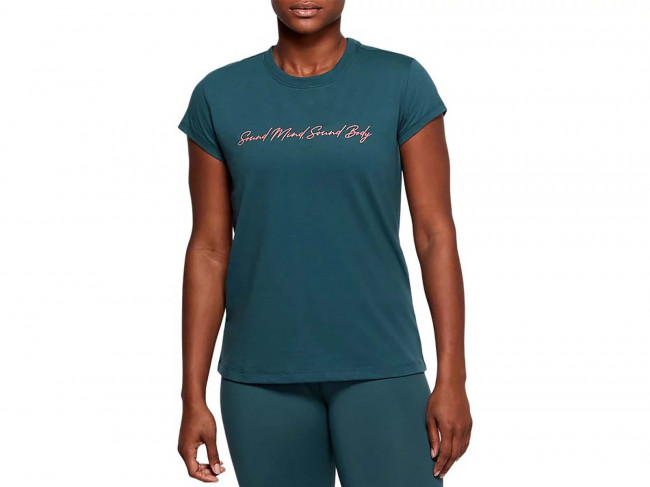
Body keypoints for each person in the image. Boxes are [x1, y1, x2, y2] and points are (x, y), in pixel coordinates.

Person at [176, 1, 472, 485]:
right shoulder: (219, 94)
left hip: (382, 366)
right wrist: (193, 396)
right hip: (261, 378)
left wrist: (453, 377)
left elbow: (435, 234)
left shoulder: (400, 82)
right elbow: (209, 249)